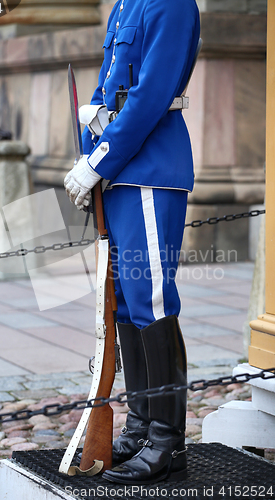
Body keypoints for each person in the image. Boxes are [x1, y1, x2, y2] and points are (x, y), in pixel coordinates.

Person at [64, 0, 200, 485]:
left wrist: (99, 160)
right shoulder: (125, 3)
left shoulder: (170, 4)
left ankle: (168, 442)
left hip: (149, 169)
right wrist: (92, 150)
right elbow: (108, 90)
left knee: (151, 301)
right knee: (123, 303)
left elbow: (147, 98)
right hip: (122, 171)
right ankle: (142, 427)